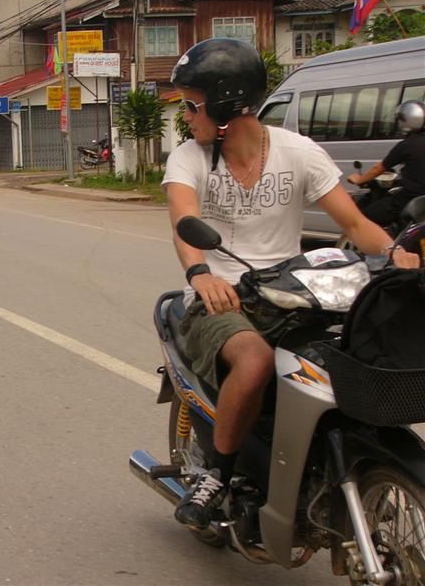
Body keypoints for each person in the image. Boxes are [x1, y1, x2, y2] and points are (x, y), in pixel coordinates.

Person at [162, 38, 421, 530]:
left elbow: (354, 223)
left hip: (293, 294)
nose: (186, 117)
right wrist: (201, 273)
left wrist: (393, 253)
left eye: (192, 105)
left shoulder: (298, 152)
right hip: (221, 299)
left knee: (357, 355)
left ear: (226, 107)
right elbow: (184, 221)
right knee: (255, 360)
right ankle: (218, 475)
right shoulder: (188, 159)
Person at [347, 100, 425, 227]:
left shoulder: (407, 145)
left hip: (410, 198)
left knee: (366, 217)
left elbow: (378, 168)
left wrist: (360, 179)